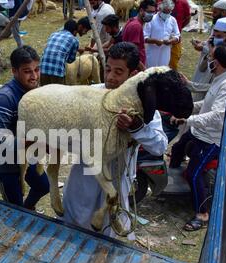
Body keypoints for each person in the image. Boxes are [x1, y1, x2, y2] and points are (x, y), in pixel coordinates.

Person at [62, 42, 168, 238]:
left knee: (108, 237)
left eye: (119, 72)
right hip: (84, 177)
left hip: (118, 182)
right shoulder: (89, 95)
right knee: (75, 234)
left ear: (133, 73)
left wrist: (136, 128)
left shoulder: (143, 106)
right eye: (108, 69)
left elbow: (159, 146)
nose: (110, 77)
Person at [169, 43, 226, 232]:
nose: (209, 61)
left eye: (211, 58)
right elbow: (207, 101)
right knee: (177, 148)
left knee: (194, 173)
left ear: (218, 63)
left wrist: (187, 119)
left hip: (210, 138)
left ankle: (202, 214)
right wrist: (187, 108)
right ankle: (172, 178)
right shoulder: (220, 76)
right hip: (200, 130)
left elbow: (216, 115)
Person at [0, 46, 50, 210]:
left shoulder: (34, 92)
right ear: (14, 71)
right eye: (27, 71)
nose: (34, 76)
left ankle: (28, 209)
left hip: (26, 157)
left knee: (43, 186)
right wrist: (33, 141)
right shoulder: (5, 99)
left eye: (36, 69)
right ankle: (20, 220)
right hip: (5, 163)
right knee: (15, 207)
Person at [187, 16, 226, 101]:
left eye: (219, 36)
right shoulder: (212, 46)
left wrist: (190, 85)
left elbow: (218, 84)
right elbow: (202, 69)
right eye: (214, 36)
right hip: (201, 93)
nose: (216, 39)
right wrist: (210, 52)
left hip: (215, 97)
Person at [190, 0, 226, 99]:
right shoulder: (217, 24)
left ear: (224, 12)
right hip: (207, 62)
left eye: (215, 12)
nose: (212, 15)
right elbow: (211, 41)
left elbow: (220, 48)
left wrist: (203, 47)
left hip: (214, 67)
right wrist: (203, 43)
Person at [40, 18, 91, 85]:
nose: (86, 33)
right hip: (57, 71)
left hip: (42, 69)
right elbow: (70, 60)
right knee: (58, 94)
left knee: (45, 92)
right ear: (80, 27)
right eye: (86, 30)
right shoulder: (74, 40)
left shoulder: (53, 34)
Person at [143, 0, 180, 68]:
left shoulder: (172, 20)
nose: (167, 14)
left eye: (169, 12)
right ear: (159, 9)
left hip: (165, 53)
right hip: (152, 53)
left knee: (163, 72)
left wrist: (170, 41)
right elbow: (145, 37)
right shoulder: (151, 19)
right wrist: (156, 41)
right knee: (150, 73)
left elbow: (177, 35)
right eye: (164, 12)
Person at [122, 0, 156, 67]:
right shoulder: (136, 26)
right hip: (134, 67)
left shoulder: (133, 20)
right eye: (149, 12)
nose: (151, 15)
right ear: (141, 10)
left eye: (153, 12)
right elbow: (132, 53)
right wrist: (143, 69)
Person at [168, 0, 191, 70]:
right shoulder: (160, 1)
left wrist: (179, 28)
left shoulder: (183, 3)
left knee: (173, 62)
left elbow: (188, 17)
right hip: (160, 38)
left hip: (175, 39)